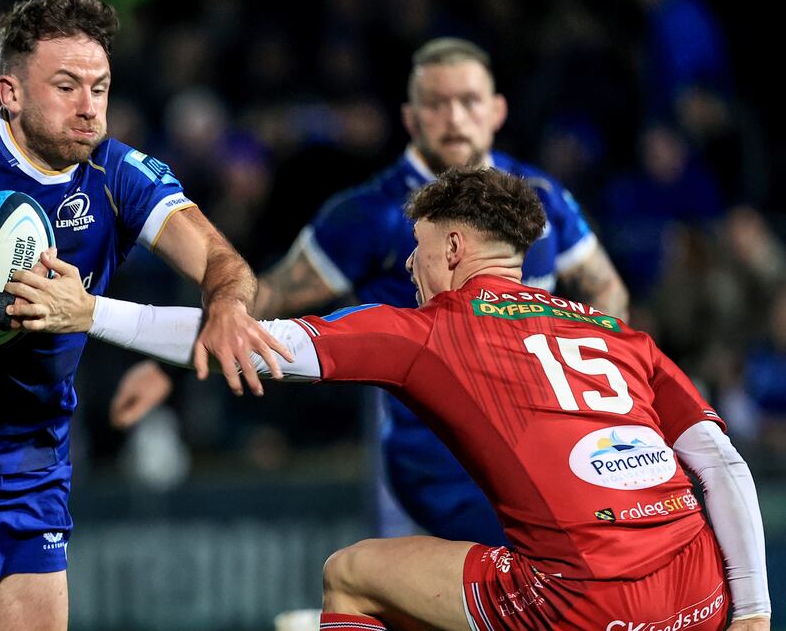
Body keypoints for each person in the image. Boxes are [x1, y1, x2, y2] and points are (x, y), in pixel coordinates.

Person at [8, 167, 769, 630]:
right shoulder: (616, 332)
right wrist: (753, 611)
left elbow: (245, 340)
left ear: (452, 249)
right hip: (701, 598)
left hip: (584, 604)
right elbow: (722, 462)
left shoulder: (432, 330)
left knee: (354, 571)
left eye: (416, 248)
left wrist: (90, 312)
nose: (408, 265)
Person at [0, 0, 288, 631]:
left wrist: (224, 306)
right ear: (11, 93)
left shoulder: (121, 175)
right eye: (67, 86)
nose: (89, 108)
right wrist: (2, 308)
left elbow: (225, 264)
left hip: (30, 454)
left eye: (100, 88)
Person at [111, 37, 629, 545]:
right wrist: (167, 363)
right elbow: (264, 298)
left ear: (496, 111)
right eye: (437, 103)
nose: (454, 118)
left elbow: (606, 288)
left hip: (540, 453)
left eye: (468, 102)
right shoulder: (369, 215)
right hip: (430, 470)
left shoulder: (542, 198)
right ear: (410, 117)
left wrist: (595, 386)